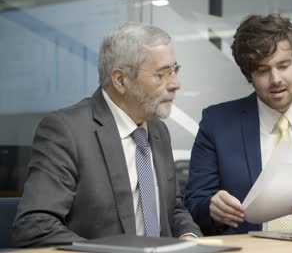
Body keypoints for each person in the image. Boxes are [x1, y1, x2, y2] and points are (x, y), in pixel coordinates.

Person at [12, 22, 202, 247]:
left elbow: (173, 208)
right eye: (162, 74)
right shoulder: (66, 131)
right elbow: (35, 226)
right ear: (121, 80)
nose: (175, 84)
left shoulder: (158, 130)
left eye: (175, 70)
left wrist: (189, 239)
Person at [184, 14, 292, 235]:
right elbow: (195, 203)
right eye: (263, 70)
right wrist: (213, 209)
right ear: (249, 75)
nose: (275, 79)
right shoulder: (217, 123)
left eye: (283, 66)